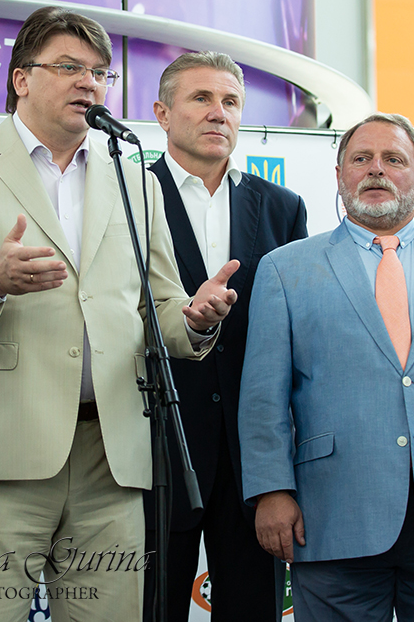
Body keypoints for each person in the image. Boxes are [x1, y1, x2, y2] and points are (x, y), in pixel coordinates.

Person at [0, 6, 238, 621]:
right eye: (70, 67)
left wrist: (196, 319)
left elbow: (159, 306)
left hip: (112, 458)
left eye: (100, 73)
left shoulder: (135, 182)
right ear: (21, 79)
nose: (89, 83)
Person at [238, 113, 414, 622]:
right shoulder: (284, 268)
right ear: (339, 175)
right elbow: (264, 397)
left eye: (393, 159)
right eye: (361, 158)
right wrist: (271, 491)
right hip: (331, 516)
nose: (376, 169)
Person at [144, 51, 307, 621]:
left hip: (252, 462)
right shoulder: (125, 196)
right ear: (162, 113)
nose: (219, 112)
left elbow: (293, 338)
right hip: (154, 451)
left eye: (231, 101)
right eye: (201, 98)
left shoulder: (282, 207)